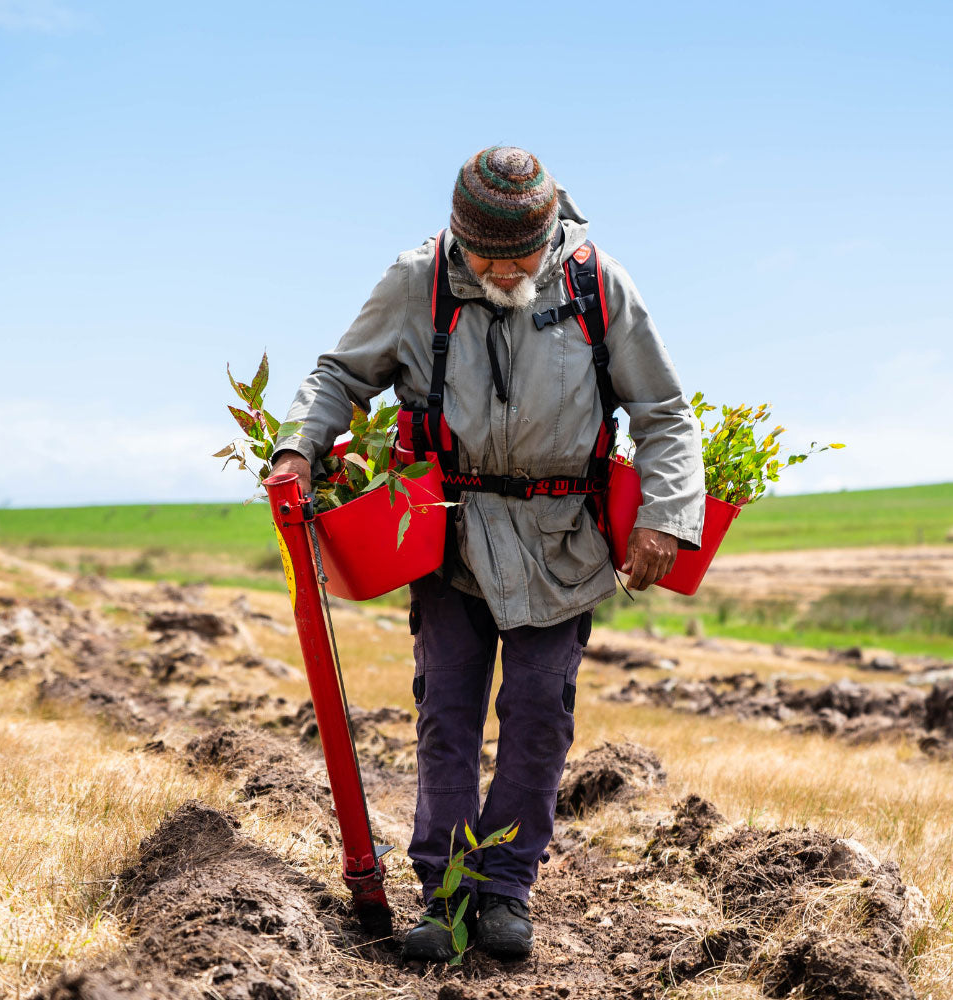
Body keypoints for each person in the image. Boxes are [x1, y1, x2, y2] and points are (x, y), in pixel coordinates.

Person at [270, 147, 704, 961]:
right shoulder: (416, 281)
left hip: (560, 542)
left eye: (521, 255)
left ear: (550, 233)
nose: (505, 269)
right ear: (459, 235)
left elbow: (665, 411)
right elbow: (339, 374)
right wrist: (299, 449)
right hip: (448, 535)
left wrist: (665, 515)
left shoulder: (596, 283)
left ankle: (503, 891)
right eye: (488, 256)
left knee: (540, 719)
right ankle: (442, 897)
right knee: (447, 721)